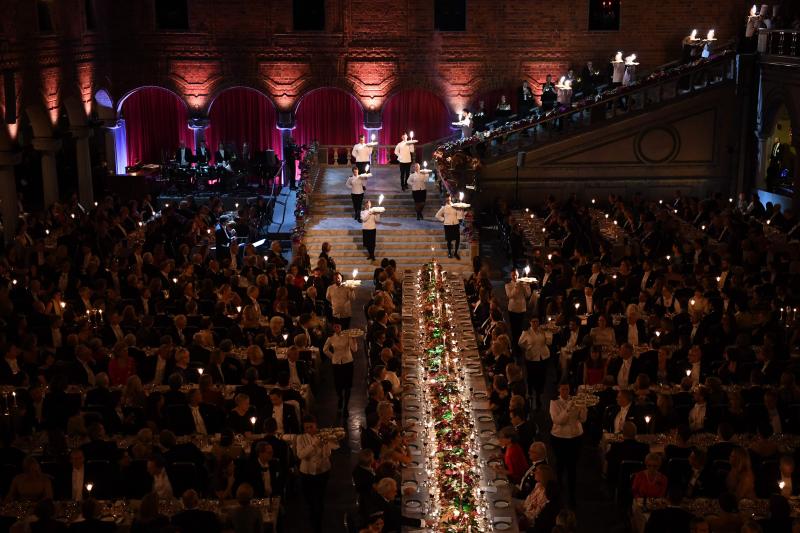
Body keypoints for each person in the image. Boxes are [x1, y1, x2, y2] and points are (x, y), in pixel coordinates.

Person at [294, 415, 340, 533]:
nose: (309, 429)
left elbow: (332, 450)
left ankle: (318, 526)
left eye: (311, 427)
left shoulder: (323, 436)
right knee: (309, 500)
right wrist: (314, 445)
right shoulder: (301, 438)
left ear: (316, 426)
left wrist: (330, 440)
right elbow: (301, 455)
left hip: (322, 472)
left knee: (319, 500)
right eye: (306, 428)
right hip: (307, 474)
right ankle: (312, 520)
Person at [549, 382, 586, 507]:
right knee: (560, 464)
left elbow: (583, 419)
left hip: (575, 437)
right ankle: (559, 489)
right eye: (563, 389)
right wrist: (568, 408)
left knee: (572, 467)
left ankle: (572, 494)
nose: (566, 391)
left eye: (567, 389)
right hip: (559, 438)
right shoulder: (554, 403)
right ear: (559, 390)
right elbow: (558, 420)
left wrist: (583, 407)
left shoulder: (575, 400)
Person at [323, 322, 357, 413]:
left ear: (341, 326)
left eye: (338, 326)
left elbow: (354, 349)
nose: (337, 328)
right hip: (337, 364)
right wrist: (333, 356)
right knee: (338, 385)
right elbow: (325, 350)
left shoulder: (347, 335)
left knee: (348, 386)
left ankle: (346, 406)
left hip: (348, 362)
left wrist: (354, 340)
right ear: (333, 328)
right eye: (335, 326)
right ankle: (340, 398)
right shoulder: (331, 338)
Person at [505, 270, 531, 346]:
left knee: (520, 328)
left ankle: (519, 344)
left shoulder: (523, 284)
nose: (515, 277)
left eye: (516, 275)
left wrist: (526, 286)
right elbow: (510, 295)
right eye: (513, 275)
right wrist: (516, 286)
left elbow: (527, 295)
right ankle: (514, 344)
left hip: (522, 309)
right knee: (514, 328)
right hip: (512, 309)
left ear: (518, 275)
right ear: (511, 276)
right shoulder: (508, 285)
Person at [435, 195, 464, 259]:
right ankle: (449, 252)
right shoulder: (444, 207)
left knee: (457, 239)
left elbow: (460, 217)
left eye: (449, 198)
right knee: (449, 240)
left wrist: (461, 209)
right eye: (447, 199)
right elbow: (437, 215)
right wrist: (443, 220)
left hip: (455, 224)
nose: (448, 200)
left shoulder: (455, 206)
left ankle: (456, 253)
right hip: (448, 226)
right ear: (445, 200)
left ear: (451, 199)